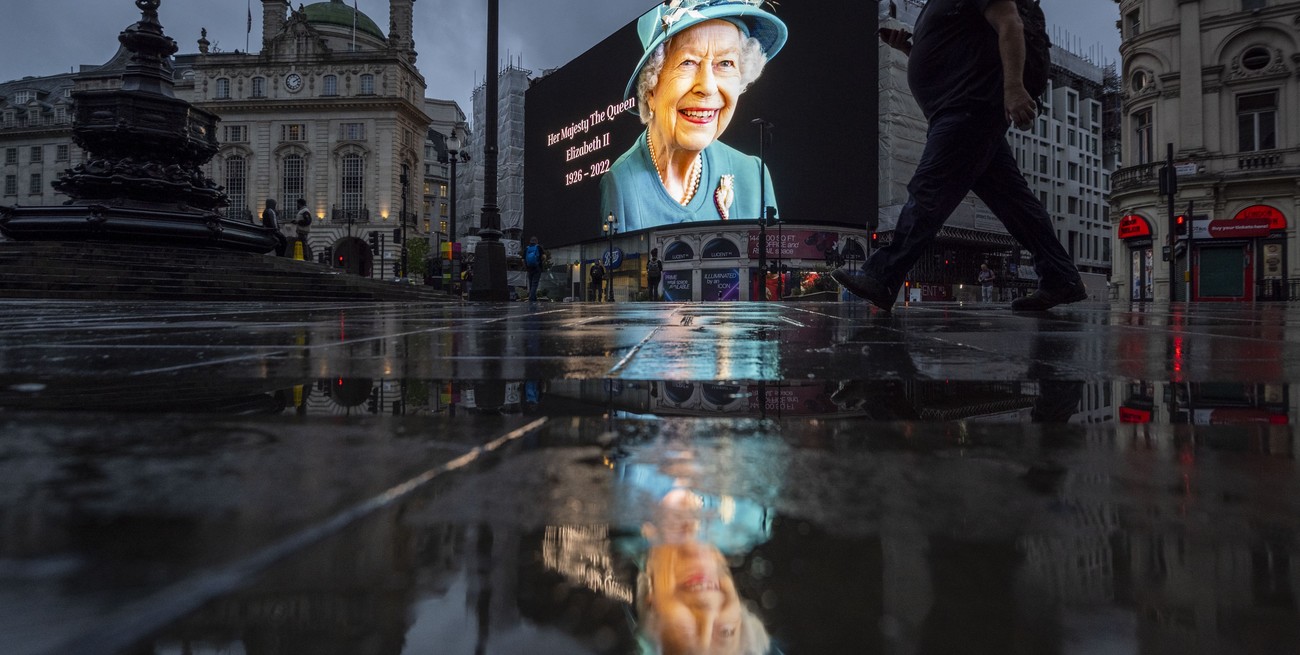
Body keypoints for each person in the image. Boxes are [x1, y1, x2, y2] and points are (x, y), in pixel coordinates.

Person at [832, 0, 1085, 313]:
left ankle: (882, 276)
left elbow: (1010, 23)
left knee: (928, 191)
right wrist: (909, 49)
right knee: (1016, 205)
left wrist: (1014, 88)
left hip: (969, 107)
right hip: (959, 109)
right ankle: (1060, 276)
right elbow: (955, 55)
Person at [600, 0, 787, 232]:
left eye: (725, 63)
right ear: (650, 89)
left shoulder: (753, 177)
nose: (707, 87)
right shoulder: (621, 184)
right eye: (688, 62)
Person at [524, 236, 546, 301]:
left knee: (531, 283)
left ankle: (533, 298)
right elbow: (544, 257)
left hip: (529, 268)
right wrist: (541, 263)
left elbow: (523, 260)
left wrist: (526, 267)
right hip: (537, 267)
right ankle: (531, 298)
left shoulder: (527, 248)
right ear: (536, 241)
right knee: (535, 283)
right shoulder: (538, 247)